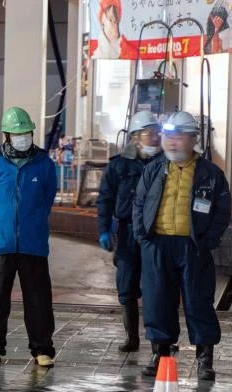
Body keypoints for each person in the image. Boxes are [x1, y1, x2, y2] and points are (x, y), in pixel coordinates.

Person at [132, 111, 231, 381]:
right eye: (167, 136)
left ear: (193, 139)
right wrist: (143, 236)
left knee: (198, 301)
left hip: (192, 247)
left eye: (178, 136)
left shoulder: (210, 174)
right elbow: (139, 204)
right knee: (157, 299)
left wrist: (208, 240)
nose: (171, 142)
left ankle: (204, 358)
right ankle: (160, 352)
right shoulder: (154, 169)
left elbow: (222, 210)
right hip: (158, 245)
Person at [0, 107, 58, 367]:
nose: (23, 137)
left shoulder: (44, 164)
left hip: (33, 243)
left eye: (26, 133)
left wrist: (30, 221)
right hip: (2, 243)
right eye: (17, 133)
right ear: (6, 136)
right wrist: (0, 219)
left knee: (38, 300)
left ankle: (42, 350)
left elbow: (48, 198)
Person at [96, 110, 163, 352]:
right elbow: (105, 198)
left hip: (156, 233)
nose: (155, 138)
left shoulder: (166, 163)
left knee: (157, 286)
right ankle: (131, 338)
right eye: (149, 133)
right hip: (127, 232)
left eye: (157, 133)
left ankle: (160, 340)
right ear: (135, 137)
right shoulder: (119, 166)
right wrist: (103, 229)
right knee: (126, 286)